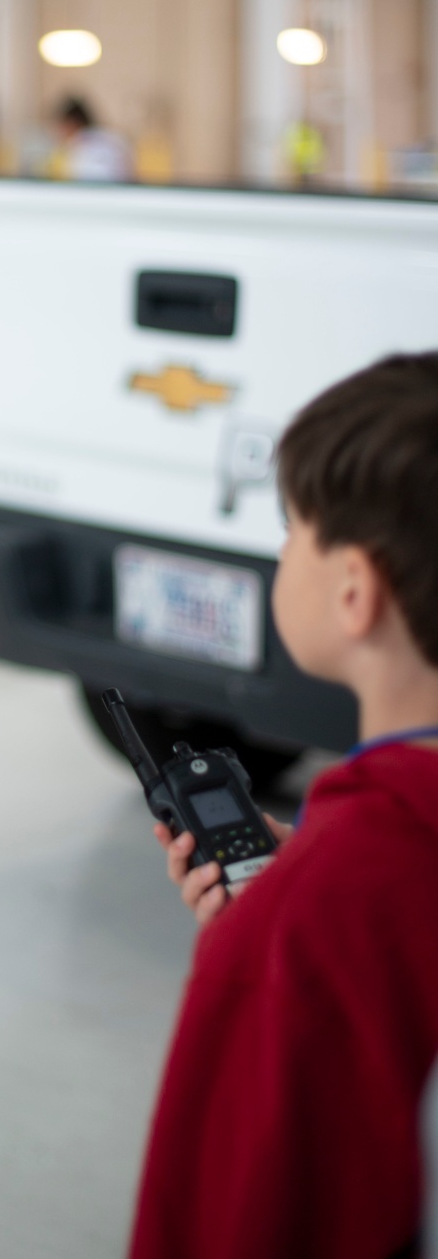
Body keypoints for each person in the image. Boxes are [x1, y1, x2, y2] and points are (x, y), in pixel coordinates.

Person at [132, 352, 438, 1259]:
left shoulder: (305, 924)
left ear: (355, 591)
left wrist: (283, 910)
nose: (280, 553)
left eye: (292, 528)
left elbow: (228, 1215)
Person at [50, 96, 132, 182]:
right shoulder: (114, 138)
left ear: (72, 123)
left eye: (63, 127)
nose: (60, 132)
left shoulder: (78, 145)